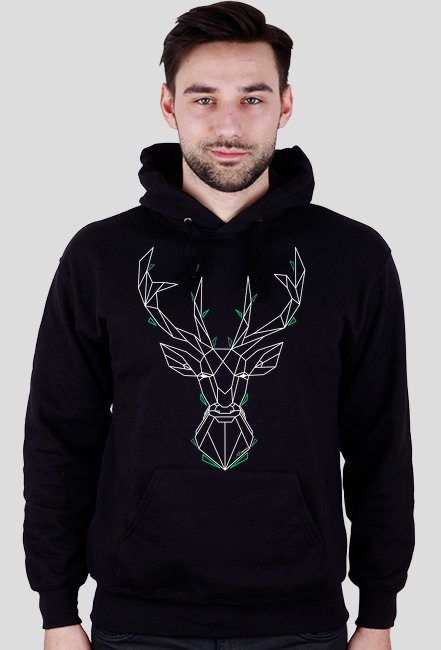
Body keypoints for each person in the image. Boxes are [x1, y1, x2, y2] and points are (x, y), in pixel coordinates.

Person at [22, 2, 415, 649]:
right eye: (203, 98)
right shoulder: (101, 256)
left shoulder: (353, 257)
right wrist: (56, 610)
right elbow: (59, 437)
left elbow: (381, 444)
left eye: (252, 98)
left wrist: (379, 613)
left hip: (302, 625)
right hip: (137, 625)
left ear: (285, 105)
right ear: (168, 104)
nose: (228, 124)